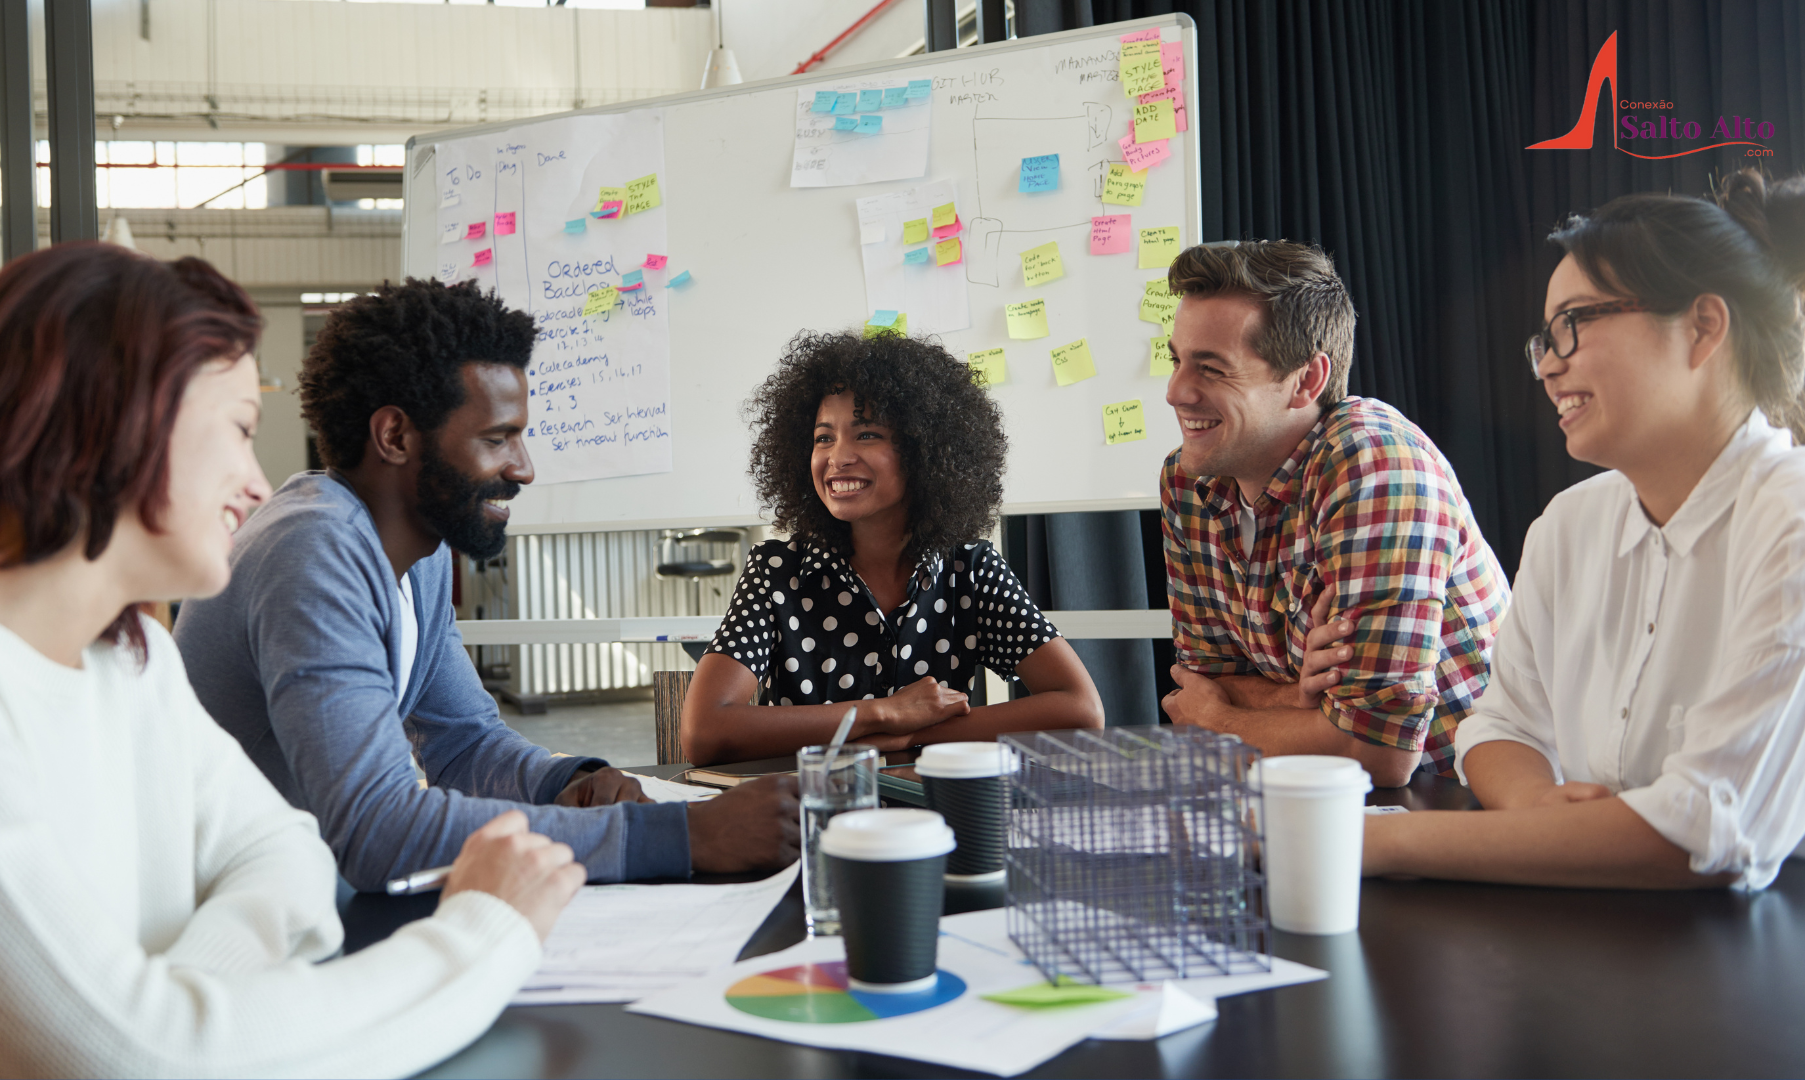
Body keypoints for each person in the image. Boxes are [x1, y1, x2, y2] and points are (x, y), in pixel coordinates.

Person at [0, 243, 583, 1076]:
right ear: (117, 422)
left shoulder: (124, 654)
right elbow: (136, 1057)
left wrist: (179, 1004)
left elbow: (284, 853)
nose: (257, 485)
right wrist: (486, 932)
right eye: (241, 431)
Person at [174, 280, 796, 890]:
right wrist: (684, 836)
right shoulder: (314, 549)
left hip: (296, 897)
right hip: (230, 921)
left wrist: (568, 782)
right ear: (395, 436)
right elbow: (376, 831)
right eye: (497, 439)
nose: (523, 468)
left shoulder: (420, 554)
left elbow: (463, 743)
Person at [1363, 171, 1805, 889]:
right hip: (1600, 932)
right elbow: (1498, 727)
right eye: (1543, 338)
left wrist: (1378, 843)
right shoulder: (1571, 524)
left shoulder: (1791, 517)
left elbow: (1702, 831)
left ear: (1702, 328)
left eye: (1574, 323)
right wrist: (1540, 807)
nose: (1549, 364)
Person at [1156, 240, 1508, 788]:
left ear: (1306, 381)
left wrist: (1222, 719)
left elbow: (1380, 753)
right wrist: (1300, 698)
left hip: (1462, 800)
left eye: (1212, 369)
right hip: (1304, 792)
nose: (1176, 390)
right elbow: (1197, 682)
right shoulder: (1187, 478)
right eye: (1176, 359)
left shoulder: (1377, 465)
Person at [680, 330, 1104, 765]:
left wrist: (912, 737)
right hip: (813, 816)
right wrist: (883, 713)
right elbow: (704, 732)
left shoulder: (969, 570)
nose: (838, 456)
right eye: (823, 437)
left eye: (866, 435)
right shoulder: (777, 571)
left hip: (937, 821)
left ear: (926, 450)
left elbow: (1081, 709)